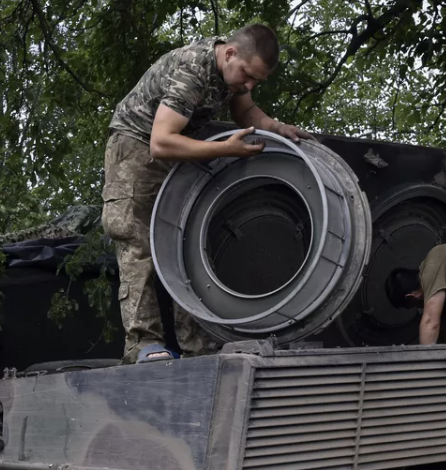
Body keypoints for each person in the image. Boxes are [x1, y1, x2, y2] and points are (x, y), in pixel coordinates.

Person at [103, 24, 310, 363]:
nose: (248, 85)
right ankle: (143, 345)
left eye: (256, 80)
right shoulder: (193, 70)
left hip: (179, 152)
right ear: (230, 53)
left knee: (187, 244)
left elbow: (246, 112)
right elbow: (161, 142)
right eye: (247, 75)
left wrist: (277, 127)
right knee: (138, 246)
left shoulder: (233, 73)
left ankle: (197, 346)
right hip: (135, 149)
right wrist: (223, 151)